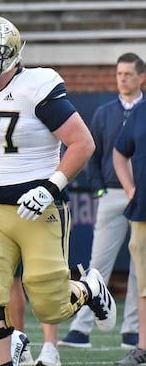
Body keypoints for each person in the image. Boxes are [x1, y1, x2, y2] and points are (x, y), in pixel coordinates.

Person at [0, 15, 115, 366]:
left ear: (11, 53)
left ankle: (88, 287)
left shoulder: (36, 86)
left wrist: (50, 187)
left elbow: (82, 143)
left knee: (50, 303)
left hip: (39, 208)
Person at [58, 52, 144, 350]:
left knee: (140, 267)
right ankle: (80, 329)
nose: (122, 79)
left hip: (142, 197)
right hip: (111, 193)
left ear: (141, 77)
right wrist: (98, 189)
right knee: (97, 263)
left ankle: (132, 330)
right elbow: (92, 152)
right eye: (119, 74)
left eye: (128, 74)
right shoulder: (104, 112)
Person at [111, 94, 146, 366]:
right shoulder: (140, 111)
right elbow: (120, 151)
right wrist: (130, 189)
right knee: (144, 286)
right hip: (143, 211)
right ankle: (143, 347)